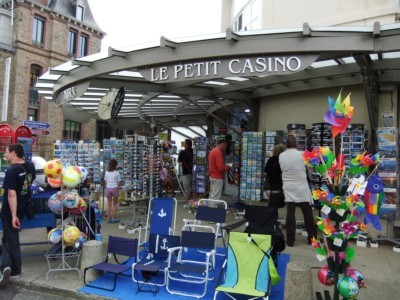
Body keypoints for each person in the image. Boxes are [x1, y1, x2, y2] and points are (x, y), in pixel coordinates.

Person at [0, 144, 36, 288]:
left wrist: (13, 215)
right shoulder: (30, 166)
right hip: (23, 207)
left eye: (7, 152)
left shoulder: (11, 171)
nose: (5, 154)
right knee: (7, 237)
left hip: (11, 211)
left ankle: (13, 268)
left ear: (14, 153)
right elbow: (29, 182)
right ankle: (6, 266)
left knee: (12, 238)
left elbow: (11, 193)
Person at [279, 136, 317, 247]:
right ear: (296, 145)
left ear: (286, 145)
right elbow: (311, 167)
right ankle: (312, 239)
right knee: (308, 215)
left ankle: (290, 241)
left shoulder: (281, 155)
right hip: (302, 187)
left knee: (290, 215)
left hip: (288, 187)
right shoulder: (302, 154)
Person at [208, 139, 230, 207]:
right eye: (225, 147)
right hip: (217, 176)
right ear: (223, 144)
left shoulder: (212, 151)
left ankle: (210, 208)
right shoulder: (218, 152)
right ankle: (213, 210)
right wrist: (227, 167)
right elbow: (220, 167)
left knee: (212, 194)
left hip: (212, 175)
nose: (225, 149)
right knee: (215, 196)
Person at [264, 144, 285, 208]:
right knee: (275, 203)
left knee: (271, 202)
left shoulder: (270, 159)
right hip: (277, 186)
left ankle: (271, 215)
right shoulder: (282, 161)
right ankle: (273, 215)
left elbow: (266, 171)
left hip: (268, 185)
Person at [104, 158, 121, 223]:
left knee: (109, 204)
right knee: (115, 204)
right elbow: (118, 183)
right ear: (115, 165)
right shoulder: (117, 173)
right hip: (115, 188)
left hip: (108, 188)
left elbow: (105, 181)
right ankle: (113, 218)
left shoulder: (106, 172)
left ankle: (108, 219)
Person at [178, 139, 193, 207]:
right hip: (194, 173)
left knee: (187, 189)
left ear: (187, 144)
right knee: (193, 188)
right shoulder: (194, 151)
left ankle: (187, 202)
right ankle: (193, 202)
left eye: (185, 143)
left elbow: (179, 162)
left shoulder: (182, 152)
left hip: (186, 173)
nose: (184, 145)